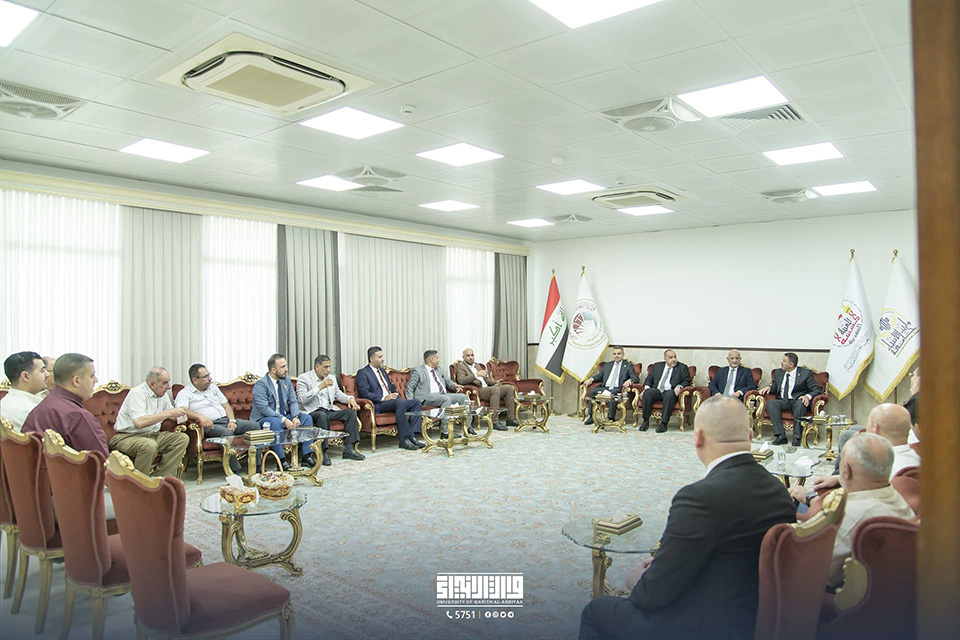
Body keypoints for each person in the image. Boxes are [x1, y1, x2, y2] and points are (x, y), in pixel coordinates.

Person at [579, 396, 796, 640]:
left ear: (698, 437)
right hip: (755, 618)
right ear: (750, 435)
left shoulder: (700, 498)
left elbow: (651, 595)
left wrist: (639, 580)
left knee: (597, 611)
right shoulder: (778, 489)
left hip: (706, 628)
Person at [21, 353, 114, 518]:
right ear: (76, 380)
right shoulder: (78, 416)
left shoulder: (42, 407)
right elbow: (104, 470)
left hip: (34, 498)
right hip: (69, 503)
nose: (96, 380)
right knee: (143, 503)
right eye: (92, 375)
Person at [823, 433, 915, 587]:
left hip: (849, 596)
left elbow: (820, 570)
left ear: (845, 470)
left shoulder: (850, 514)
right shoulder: (896, 496)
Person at [797, 404, 920, 501]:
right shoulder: (917, 458)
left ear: (875, 429)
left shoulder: (882, 463)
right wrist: (839, 478)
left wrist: (809, 498)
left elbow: (854, 504)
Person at [174, 363, 258, 473]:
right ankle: (233, 471)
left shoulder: (213, 387)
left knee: (255, 426)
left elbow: (226, 405)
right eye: (206, 377)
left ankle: (257, 466)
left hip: (225, 420)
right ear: (195, 380)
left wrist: (232, 421)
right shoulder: (185, 393)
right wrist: (199, 416)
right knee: (227, 433)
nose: (210, 378)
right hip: (210, 425)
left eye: (209, 375)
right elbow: (182, 410)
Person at [112, 367, 190, 478]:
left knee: (182, 439)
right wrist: (168, 413)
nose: (168, 387)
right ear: (152, 384)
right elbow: (139, 422)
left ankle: (161, 478)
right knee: (149, 445)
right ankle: (139, 481)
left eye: (168, 382)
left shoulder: (162, 394)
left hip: (152, 435)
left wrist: (180, 416)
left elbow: (171, 414)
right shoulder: (137, 393)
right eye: (165, 383)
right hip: (127, 436)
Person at [250, 354, 316, 471]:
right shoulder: (261, 384)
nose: (286, 369)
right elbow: (264, 409)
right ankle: (281, 460)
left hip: (284, 415)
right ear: (273, 370)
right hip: (265, 419)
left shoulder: (286, 380)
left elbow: (293, 401)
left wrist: (295, 416)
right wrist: (284, 419)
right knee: (276, 423)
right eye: (282, 367)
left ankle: (306, 455)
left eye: (286, 366)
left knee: (306, 418)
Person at [296, 354, 364, 465]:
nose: (328, 370)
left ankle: (349, 448)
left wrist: (350, 399)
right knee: (322, 416)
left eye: (329, 367)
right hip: (312, 411)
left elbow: (338, 394)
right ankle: (323, 452)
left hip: (328, 409)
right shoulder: (304, 378)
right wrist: (320, 387)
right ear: (317, 367)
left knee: (350, 413)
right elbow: (302, 399)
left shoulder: (331, 378)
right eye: (325, 367)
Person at [356, 346, 424, 450]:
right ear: (372, 359)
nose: (383, 359)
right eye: (380, 357)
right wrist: (384, 397)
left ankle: (412, 436)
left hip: (392, 402)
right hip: (379, 404)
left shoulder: (382, 371)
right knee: (399, 402)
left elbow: (391, 386)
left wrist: (395, 393)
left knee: (416, 403)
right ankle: (404, 439)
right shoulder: (363, 373)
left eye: (382, 356)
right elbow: (365, 393)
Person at [757, 352, 822, 445]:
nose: (781, 362)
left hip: (797, 400)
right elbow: (776, 386)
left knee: (800, 404)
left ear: (791, 364)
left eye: (784, 361)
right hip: (783, 400)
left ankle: (797, 437)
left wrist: (807, 396)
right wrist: (769, 388)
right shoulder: (779, 372)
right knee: (771, 404)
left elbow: (816, 389)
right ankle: (780, 436)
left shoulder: (805, 373)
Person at [407, 350, 471, 438]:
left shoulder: (439, 369)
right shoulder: (418, 370)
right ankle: (446, 432)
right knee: (446, 399)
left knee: (463, 397)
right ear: (431, 359)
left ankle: (467, 428)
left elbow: (447, 380)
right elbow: (410, 387)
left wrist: (454, 386)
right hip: (426, 397)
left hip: (442, 395)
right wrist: (410, 403)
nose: (438, 360)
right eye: (437, 358)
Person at [454, 348, 518, 430]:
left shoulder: (477, 365)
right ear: (463, 357)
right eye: (468, 355)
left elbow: (485, 379)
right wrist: (476, 375)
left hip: (487, 388)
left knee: (508, 388)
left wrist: (495, 382)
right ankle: (494, 421)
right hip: (477, 390)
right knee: (495, 390)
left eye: (472, 355)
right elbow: (461, 380)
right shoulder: (461, 366)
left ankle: (510, 419)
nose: (470, 357)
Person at [581, 346, 639, 425]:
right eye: (614, 354)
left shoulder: (628, 365)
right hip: (605, 387)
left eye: (619, 354)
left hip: (617, 389)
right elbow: (600, 375)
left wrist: (630, 380)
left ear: (623, 354)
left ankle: (611, 418)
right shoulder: (608, 365)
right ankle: (592, 417)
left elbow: (635, 378)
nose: (616, 356)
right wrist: (591, 379)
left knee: (613, 394)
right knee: (592, 392)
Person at [639, 349, 692, 433]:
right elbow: (649, 379)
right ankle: (645, 421)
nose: (674, 359)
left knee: (669, 393)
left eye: (675, 357)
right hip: (657, 391)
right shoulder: (657, 366)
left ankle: (663, 424)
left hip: (671, 392)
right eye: (671, 357)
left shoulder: (682, 367)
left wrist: (679, 386)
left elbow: (687, 381)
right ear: (665, 358)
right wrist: (646, 388)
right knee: (648, 392)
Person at [1, 351, 48, 431]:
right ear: (26, 376)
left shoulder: (4, 402)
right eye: (42, 371)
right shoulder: (31, 411)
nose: (47, 374)